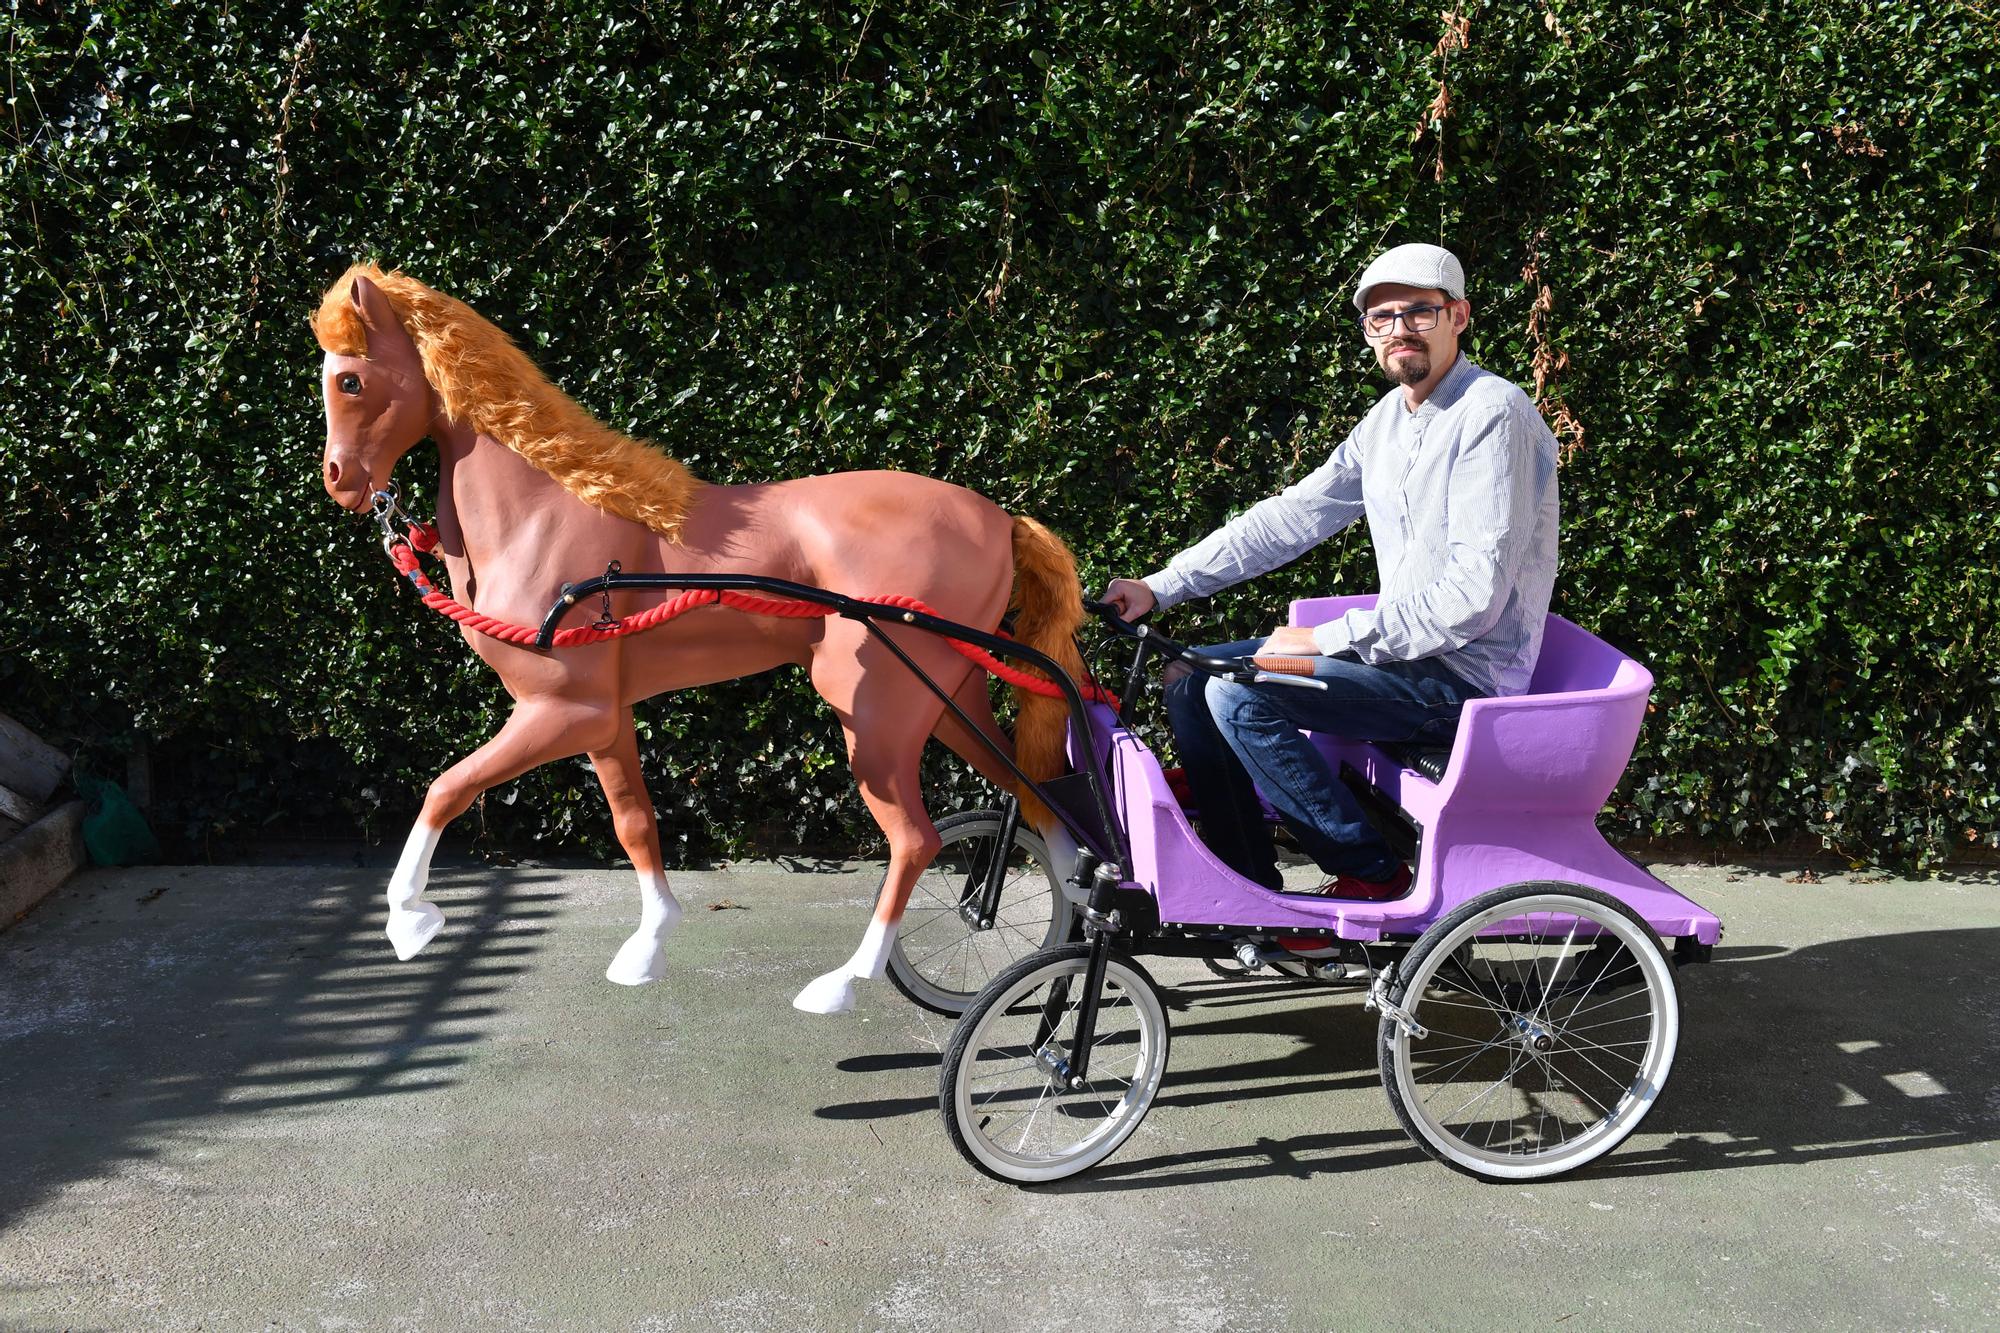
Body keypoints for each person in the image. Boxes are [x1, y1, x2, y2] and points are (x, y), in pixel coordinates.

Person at [1102, 243, 1559, 898]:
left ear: (1459, 316)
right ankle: (1242, 880)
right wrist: (1160, 586)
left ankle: (1370, 873)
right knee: (1187, 670)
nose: (1398, 328)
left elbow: (1472, 600)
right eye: (1381, 317)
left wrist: (1326, 638)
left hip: (1457, 683)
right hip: (1398, 662)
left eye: (1419, 312)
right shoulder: (1388, 423)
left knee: (1243, 690)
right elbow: (1292, 517)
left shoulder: (1493, 414)